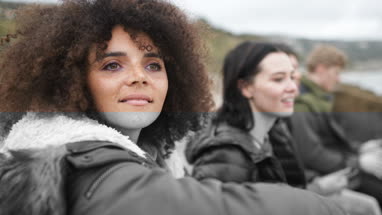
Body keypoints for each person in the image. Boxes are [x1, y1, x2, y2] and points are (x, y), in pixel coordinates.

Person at [0, 1, 346, 215]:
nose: (139, 77)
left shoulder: (156, 157)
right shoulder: (75, 161)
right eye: (111, 65)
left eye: (154, 65)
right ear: (70, 82)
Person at [186, 42, 381, 215]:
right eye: (279, 79)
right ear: (246, 87)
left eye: (292, 77)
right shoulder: (226, 153)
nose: (294, 89)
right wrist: (320, 189)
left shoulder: (270, 134)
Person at [289, 44, 382, 206]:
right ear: (320, 69)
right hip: (325, 177)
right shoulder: (302, 103)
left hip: (338, 170)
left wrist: (360, 148)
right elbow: (311, 154)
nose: (339, 79)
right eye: (336, 73)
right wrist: (359, 162)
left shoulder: (319, 99)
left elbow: (331, 141)